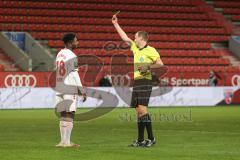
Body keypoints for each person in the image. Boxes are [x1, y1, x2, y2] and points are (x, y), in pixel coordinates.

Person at [112, 14, 164, 147]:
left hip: (145, 81)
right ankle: (141, 140)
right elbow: (124, 37)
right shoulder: (135, 48)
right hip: (137, 81)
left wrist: (147, 66)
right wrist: (115, 24)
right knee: (138, 111)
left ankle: (151, 139)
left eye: (135, 37)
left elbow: (160, 64)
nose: (133, 38)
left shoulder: (151, 50)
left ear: (141, 38)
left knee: (143, 110)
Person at [55, 33, 86, 147]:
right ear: (69, 43)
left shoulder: (60, 54)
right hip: (69, 86)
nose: (77, 43)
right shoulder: (72, 55)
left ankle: (62, 141)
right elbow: (74, 75)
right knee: (70, 114)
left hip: (59, 86)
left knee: (63, 113)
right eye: (75, 41)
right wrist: (81, 90)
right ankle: (66, 142)